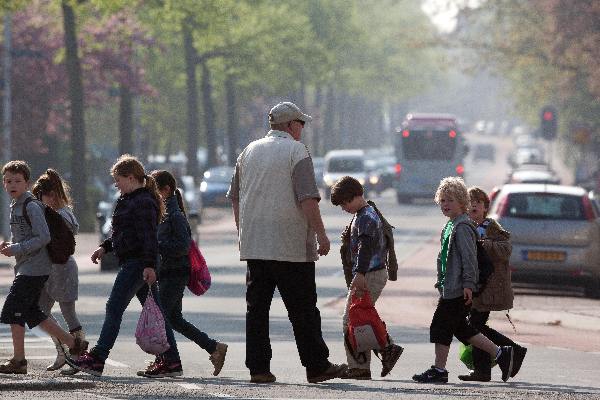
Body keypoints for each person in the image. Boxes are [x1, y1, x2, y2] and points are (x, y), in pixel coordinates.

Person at [227, 101, 345, 384]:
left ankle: (258, 368)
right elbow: (307, 198)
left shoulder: (248, 152)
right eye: (300, 124)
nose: (302, 129)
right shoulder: (296, 151)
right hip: (290, 245)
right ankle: (316, 365)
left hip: (255, 245)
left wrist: (243, 231)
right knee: (303, 308)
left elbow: (234, 197)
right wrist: (321, 234)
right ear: (291, 125)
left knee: (257, 310)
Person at [65, 155, 182, 378]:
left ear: (131, 177)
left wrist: (149, 265)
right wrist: (105, 247)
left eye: (118, 180)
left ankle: (98, 358)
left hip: (138, 263)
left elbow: (148, 237)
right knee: (157, 312)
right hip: (136, 261)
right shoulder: (129, 199)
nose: (116, 184)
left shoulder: (143, 201)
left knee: (114, 307)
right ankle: (172, 362)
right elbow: (123, 233)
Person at [411, 177, 522, 383]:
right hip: (450, 286)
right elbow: (445, 257)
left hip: (459, 288)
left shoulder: (462, 227)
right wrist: (441, 280)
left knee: (440, 327)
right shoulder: (450, 225)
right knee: (462, 328)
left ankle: (440, 370)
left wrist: (469, 285)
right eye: (442, 200)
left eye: (450, 200)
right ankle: (501, 354)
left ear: (462, 202)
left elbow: (469, 259)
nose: (445, 205)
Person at [0, 161, 88, 374]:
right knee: (32, 312)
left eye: (17, 181)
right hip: (26, 266)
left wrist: (17, 248)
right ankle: (71, 343)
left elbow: (44, 237)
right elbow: (23, 235)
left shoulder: (31, 205)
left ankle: (20, 361)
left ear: (27, 183)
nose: (12, 184)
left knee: (12, 311)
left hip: (36, 268)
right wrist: (12, 246)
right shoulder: (16, 205)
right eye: (8, 181)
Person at [138, 169, 228, 377]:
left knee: (161, 318)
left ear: (166, 190)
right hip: (168, 271)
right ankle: (213, 348)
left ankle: (168, 363)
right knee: (174, 319)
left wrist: (158, 246)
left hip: (175, 272)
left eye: (153, 190)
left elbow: (183, 245)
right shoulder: (162, 212)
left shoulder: (174, 215)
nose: (150, 195)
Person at [330, 176, 404, 380]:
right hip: (370, 273)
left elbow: (365, 248)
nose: (344, 207)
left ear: (356, 196)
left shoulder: (365, 217)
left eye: (345, 203)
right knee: (360, 319)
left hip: (369, 274)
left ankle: (370, 360)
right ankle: (375, 356)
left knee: (351, 320)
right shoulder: (365, 213)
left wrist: (359, 274)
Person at [458, 186, 527, 382]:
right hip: (473, 285)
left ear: (485, 207)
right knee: (475, 326)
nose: (473, 206)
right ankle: (487, 368)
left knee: (474, 326)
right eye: (470, 202)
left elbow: (506, 249)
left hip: (488, 287)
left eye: (478, 203)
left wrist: (483, 243)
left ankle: (511, 352)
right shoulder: (464, 226)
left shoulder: (492, 228)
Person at [31, 169, 85, 375]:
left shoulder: (59, 215)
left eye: (40, 197)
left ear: (51, 195)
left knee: (68, 312)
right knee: (39, 310)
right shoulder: (62, 212)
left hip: (62, 269)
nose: (37, 202)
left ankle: (78, 356)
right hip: (50, 269)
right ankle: (63, 350)